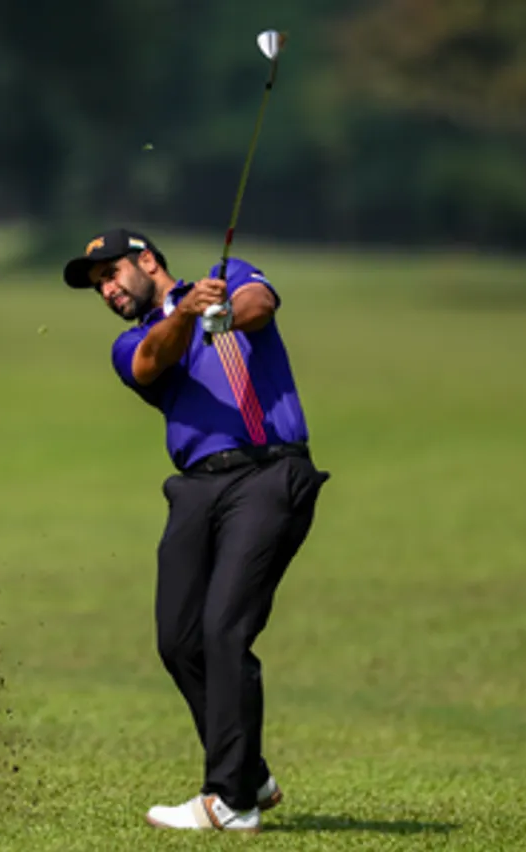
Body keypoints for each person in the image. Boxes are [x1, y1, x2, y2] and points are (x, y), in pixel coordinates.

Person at [63, 228, 330, 834]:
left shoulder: (224, 277)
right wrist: (187, 313)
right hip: (195, 489)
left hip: (268, 475)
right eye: (97, 286)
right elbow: (151, 362)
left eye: (111, 275)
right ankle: (251, 773)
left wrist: (224, 311)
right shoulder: (132, 342)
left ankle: (229, 800)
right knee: (178, 639)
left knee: (224, 629)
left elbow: (263, 305)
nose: (105, 290)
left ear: (148, 261)